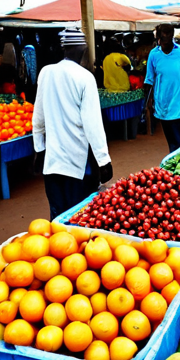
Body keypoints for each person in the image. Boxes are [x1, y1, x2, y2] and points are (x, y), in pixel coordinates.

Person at [33, 28, 113, 219]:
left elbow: (38, 118)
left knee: (57, 219)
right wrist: (103, 160)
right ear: (84, 48)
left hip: (52, 165)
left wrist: (39, 149)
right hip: (77, 166)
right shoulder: (85, 77)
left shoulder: (46, 72)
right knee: (79, 218)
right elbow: (92, 124)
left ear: (64, 48)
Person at [144, 24, 180, 152]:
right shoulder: (154, 54)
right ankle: (175, 164)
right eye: (162, 36)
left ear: (172, 35)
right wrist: (147, 102)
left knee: (177, 140)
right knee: (171, 140)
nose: (165, 38)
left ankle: (176, 166)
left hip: (179, 101)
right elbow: (149, 79)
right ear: (158, 37)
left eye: (168, 35)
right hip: (161, 102)